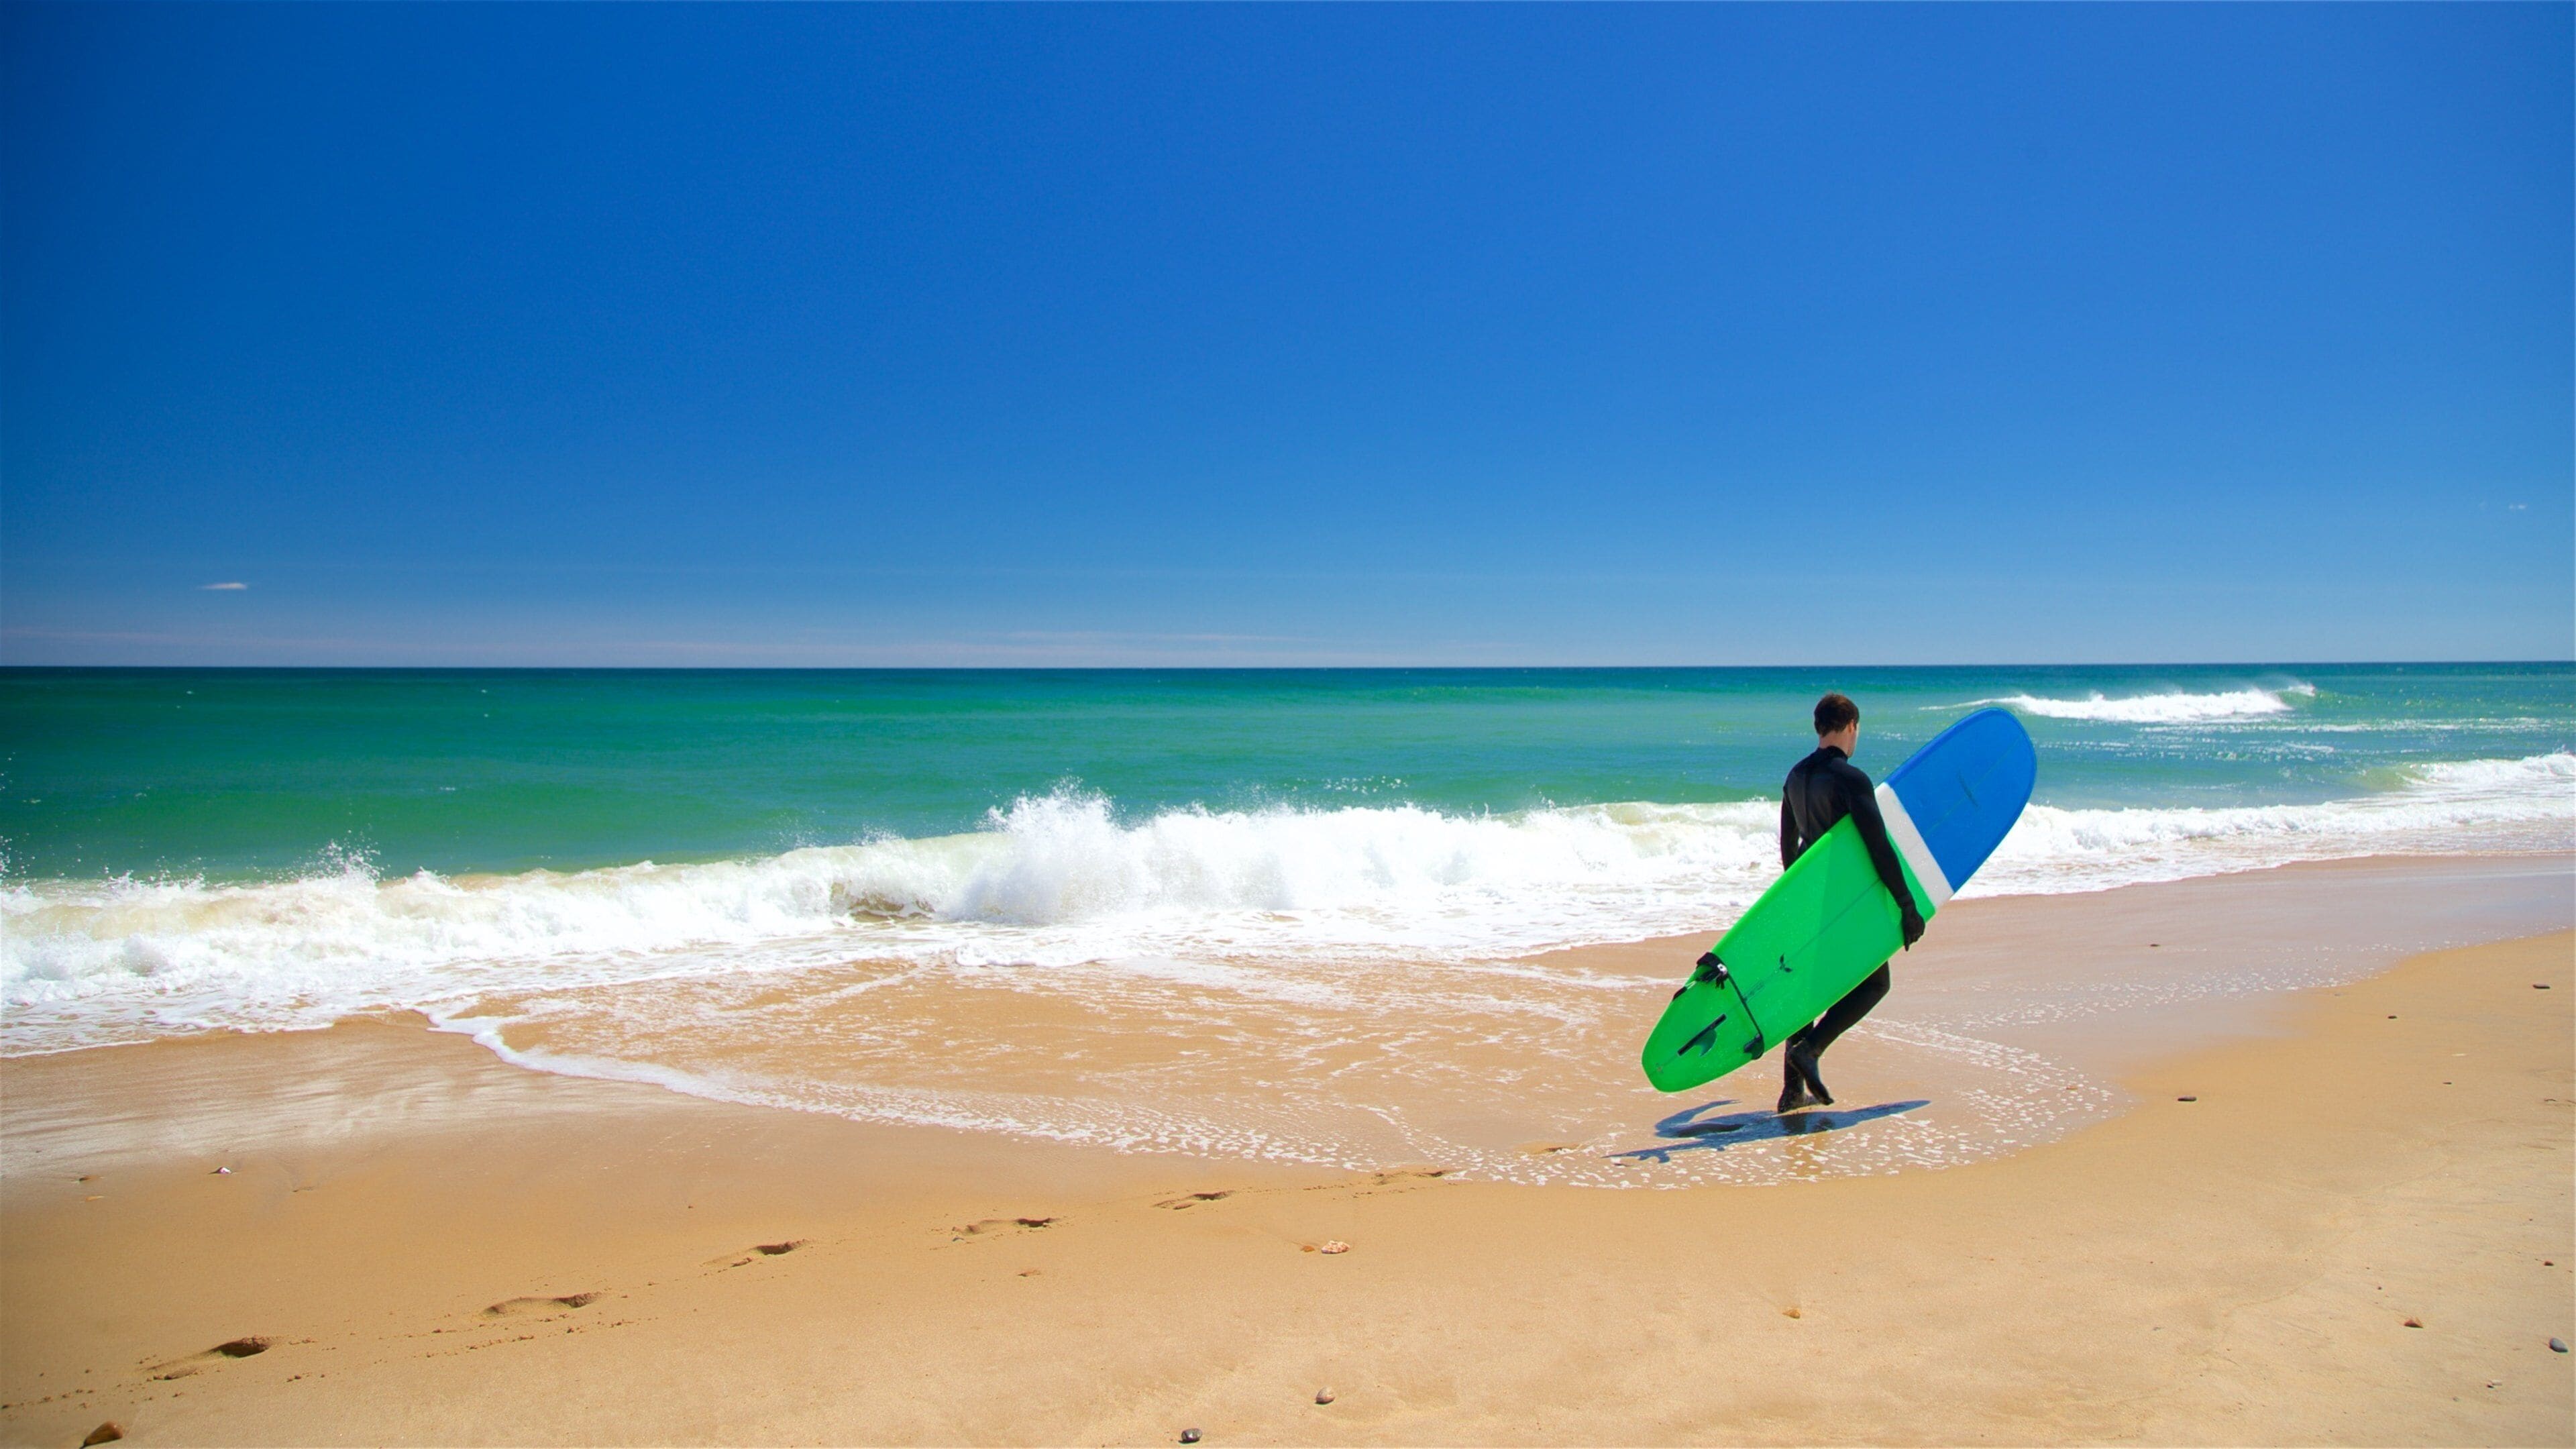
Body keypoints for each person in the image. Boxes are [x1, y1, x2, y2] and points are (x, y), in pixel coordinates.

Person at [1774, 691, 1924, 1113]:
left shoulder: (1795, 776)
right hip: (1845, 904)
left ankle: (1791, 1092)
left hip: (1807, 899)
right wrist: (1906, 906)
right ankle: (1811, 1050)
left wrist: (1796, 896)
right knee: (1876, 983)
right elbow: (1879, 847)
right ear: (1851, 726)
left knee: (1805, 992)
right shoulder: (1851, 779)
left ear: (1819, 728)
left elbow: (1788, 845)